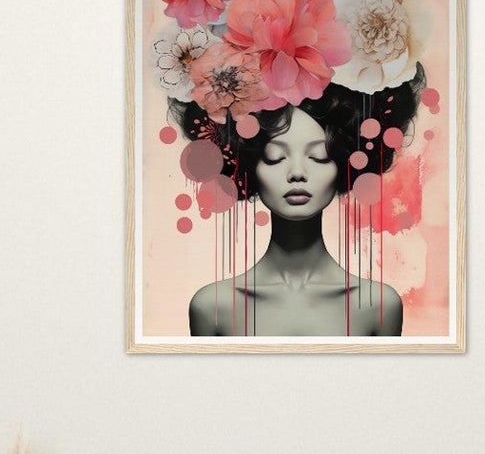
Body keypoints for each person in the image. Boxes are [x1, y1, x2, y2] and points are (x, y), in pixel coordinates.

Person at [175, 73, 422, 338]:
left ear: (344, 163)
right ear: (246, 165)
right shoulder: (213, 307)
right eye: (275, 157)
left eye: (319, 156)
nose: (297, 173)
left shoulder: (378, 306)